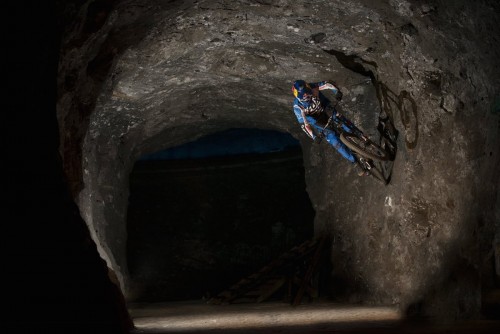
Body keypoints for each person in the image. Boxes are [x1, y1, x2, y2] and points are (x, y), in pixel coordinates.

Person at [291, 79, 369, 175]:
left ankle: (360, 135)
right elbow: (304, 125)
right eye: (304, 97)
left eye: (308, 93)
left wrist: (337, 91)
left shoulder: (313, 87)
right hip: (317, 121)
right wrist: (315, 137)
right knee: (334, 141)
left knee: (339, 118)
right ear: (298, 97)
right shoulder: (297, 108)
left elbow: (327, 84)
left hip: (325, 108)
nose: (308, 97)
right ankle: (355, 162)